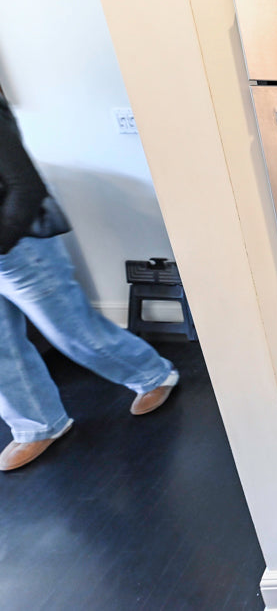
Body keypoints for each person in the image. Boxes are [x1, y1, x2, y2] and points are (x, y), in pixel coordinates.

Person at [0, 87, 178, 472]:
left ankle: (153, 374)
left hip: (18, 247)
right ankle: (38, 426)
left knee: (71, 330)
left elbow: (26, 188)